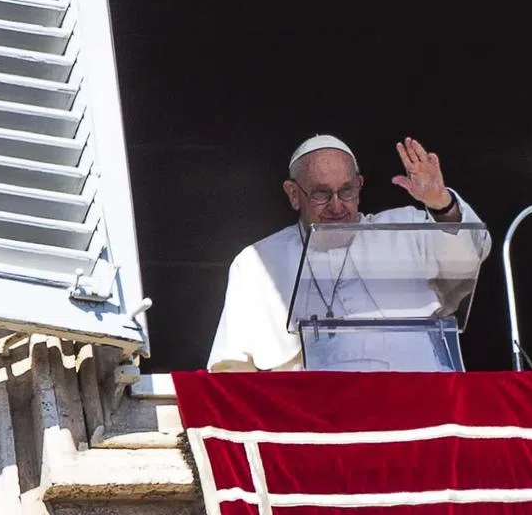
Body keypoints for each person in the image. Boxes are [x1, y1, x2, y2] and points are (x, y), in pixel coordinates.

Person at [206, 135, 486, 372]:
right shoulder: (257, 262)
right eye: (321, 194)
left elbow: (471, 254)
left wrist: (441, 204)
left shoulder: (403, 230)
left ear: (360, 185)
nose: (337, 206)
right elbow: (230, 367)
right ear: (293, 194)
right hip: (318, 419)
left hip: (420, 405)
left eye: (347, 191)